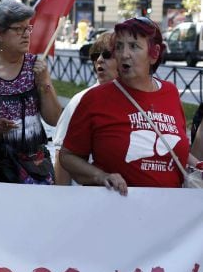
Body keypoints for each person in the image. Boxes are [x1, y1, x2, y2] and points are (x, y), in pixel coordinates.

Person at [61, 17, 198, 195]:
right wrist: (101, 176)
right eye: (119, 47)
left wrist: (198, 166)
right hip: (116, 211)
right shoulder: (94, 99)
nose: (124, 54)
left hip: (168, 213)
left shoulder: (170, 93)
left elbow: (173, 145)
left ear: (154, 54)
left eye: (134, 46)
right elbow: (67, 156)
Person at [0, 0, 61, 184]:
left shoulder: (36, 67)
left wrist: (45, 82)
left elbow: (54, 119)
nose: (26, 35)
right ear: (0, 33)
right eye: (18, 29)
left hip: (34, 168)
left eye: (28, 28)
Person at [52, 32, 118, 185]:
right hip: (87, 197)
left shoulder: (135, 100)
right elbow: (61, 157)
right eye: (95, 56)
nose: (100, 60)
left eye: (107, 55)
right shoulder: (81, 101)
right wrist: (61, 200)